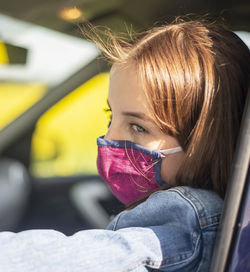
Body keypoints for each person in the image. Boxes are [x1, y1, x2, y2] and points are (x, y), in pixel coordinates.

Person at [0, 18, 249, 272]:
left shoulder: (188, 216)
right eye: (111, 116)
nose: (109, 137)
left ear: (206, 141)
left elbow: (87, 260)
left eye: (138, 127)